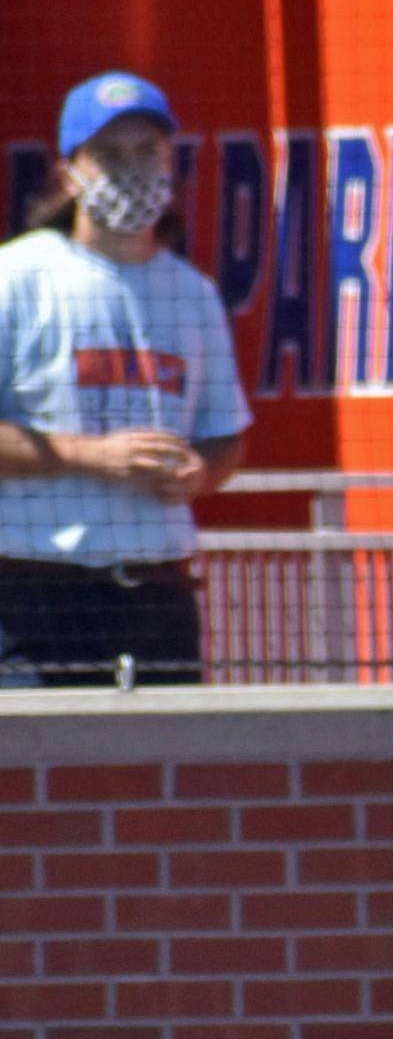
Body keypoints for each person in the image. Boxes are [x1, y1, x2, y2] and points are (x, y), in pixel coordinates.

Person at [0, 72, 251, 687]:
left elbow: (225, 435)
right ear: (69, 173)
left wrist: (202, 473)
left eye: (147, 151)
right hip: (36, 587)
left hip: (158, 592)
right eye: (109, 155)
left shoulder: (193, 293)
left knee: (167, 774)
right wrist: (88, 456)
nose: (130, 169)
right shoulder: (20, 277)